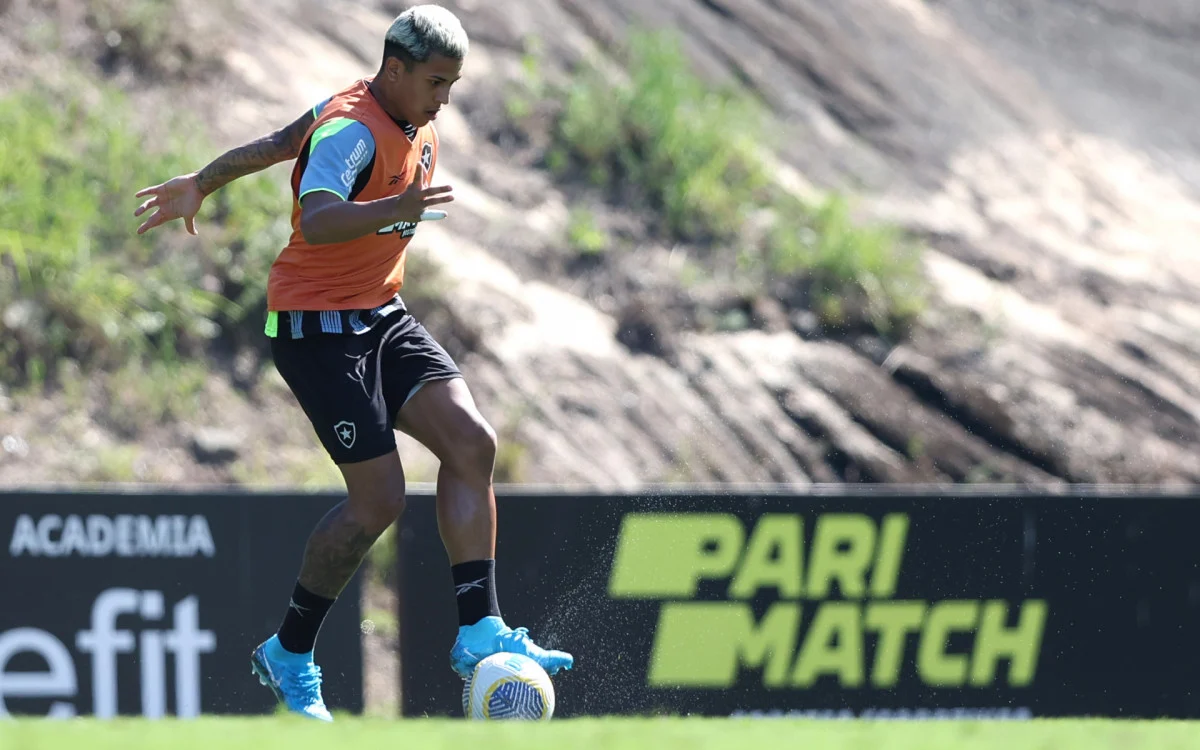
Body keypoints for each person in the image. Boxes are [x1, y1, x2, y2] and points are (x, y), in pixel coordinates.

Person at [132, 4, 572, 722]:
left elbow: (280, 140)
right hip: (316, 329)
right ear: (393, 70)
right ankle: (290, 651)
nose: (444, 100)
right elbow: (321, 214)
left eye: (452, 85)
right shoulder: (352, 129)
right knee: (380, 501)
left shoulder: (401, 116)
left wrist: (203, 182)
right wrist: (392, 207)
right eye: (436, 82)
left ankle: (479, 629)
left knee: (472, 443)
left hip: (380, 312)